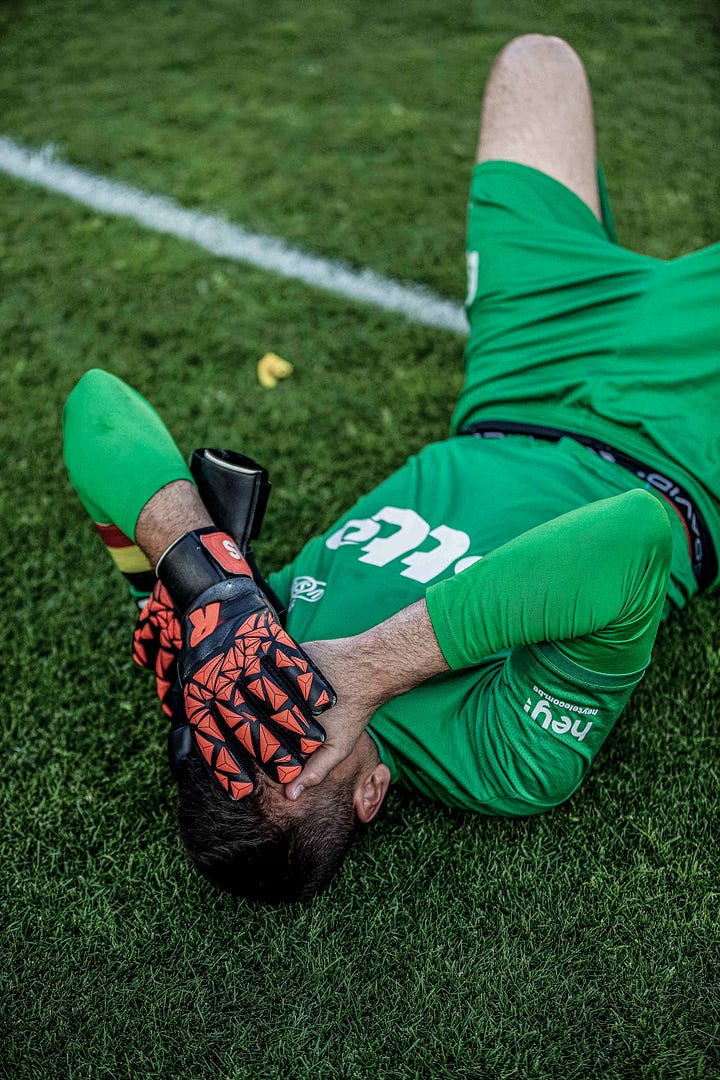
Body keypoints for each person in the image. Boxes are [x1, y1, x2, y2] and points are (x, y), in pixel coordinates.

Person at [63, 34, 720, 904]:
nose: (280, 707)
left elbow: (94, 408)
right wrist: (369, 667)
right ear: (368, 792)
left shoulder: (248, 648)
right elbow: (634, 532)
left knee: (537, 65)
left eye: (248, 729)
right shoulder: (502, 764)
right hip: (685, 439)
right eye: (299, 746)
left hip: (517, 378)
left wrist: (207, 584)